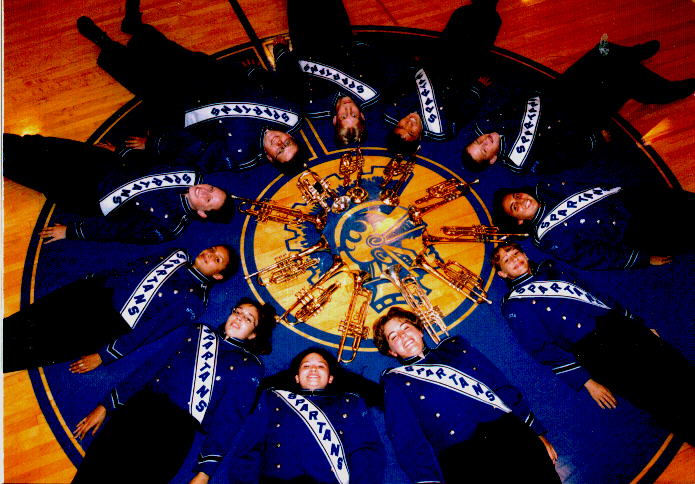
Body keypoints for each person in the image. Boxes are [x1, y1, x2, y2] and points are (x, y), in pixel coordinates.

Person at [492, 243, 695, 444]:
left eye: (516, 253)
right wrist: (586, 381)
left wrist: (637, 323)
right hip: (595, 351)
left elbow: (598, 295)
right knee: (654, 398)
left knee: (679, 370)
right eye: (507, 260)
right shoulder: (514, 304)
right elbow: (541, 348)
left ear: (525, 255)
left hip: (620, 327)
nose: (515, 259)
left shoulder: (551, 269)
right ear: (502, 274)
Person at [76, 0, 304, 173]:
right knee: (167, 50)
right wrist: (261, 67)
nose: (280, 141)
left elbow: (196, 153)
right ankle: (135, 27)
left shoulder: (239, 156)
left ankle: (103, 42)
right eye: (288, 142)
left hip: (183, 105)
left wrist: (155, 144)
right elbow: (285, 85)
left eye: (279, 150)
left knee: (139, 76)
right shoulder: (290, 114)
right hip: (212, 79)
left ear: (270, 158)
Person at [71, 298, 276, 484]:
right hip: (141, 409)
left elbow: (229, 420)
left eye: (248, 319)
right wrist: (106, 406)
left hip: (175, 433)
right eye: (237, 311)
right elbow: (150, 367)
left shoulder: (250, 366)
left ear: (253, 334)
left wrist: (204, 473)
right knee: (94, 470)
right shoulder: (197, 331)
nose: (238, 318)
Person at [373, 306, 561, 484]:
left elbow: (502, 388)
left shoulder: (455, 348)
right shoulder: (396, 382)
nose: (403, 336)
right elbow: (407, 440)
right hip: (465, 461)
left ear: (419, 330)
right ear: (391, 351)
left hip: (513, 437)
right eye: (393, 337)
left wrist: (537, 433)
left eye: (406, 327)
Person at [462, 40, 695, 174]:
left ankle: (629, 54)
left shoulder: (488, 125)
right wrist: (595, 140)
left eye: (477, 142)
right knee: (624, 78)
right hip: (580, 116)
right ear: (492, 159)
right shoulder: (521, 161)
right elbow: (567, 158)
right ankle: (667, 91)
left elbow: (510, 100)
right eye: (484, 149)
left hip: (559, 94)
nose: (484, 141)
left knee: (601, 51)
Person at [3, 244, 233, 373]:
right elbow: (130, 266)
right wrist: (92, 280)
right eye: (213, 249)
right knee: (31, 317)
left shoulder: (195, 300)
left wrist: (104, 356)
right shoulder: (177, 254)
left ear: (218, 275)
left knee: (42, 346)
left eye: (217, 260)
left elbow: (151, 330)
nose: (210, 254)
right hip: (94, 292)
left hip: (109, 322)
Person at [3, 133, 233, 244]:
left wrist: (71, 231)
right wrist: (121, 153)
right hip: (103, 163)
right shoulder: (191, 174)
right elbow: (152, 165)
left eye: (208, 200)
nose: (204, 191)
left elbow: (117, 231)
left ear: (203, 213)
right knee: (41, 144)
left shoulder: (168, 227)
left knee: (30, 170)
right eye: (212, 188)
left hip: (87, 193)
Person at [228, 347, 385, 483]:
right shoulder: (273, 400)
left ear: (330, 378)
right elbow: (248, 450)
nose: (313, 369)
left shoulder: (350, 403)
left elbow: (366, 453)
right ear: (296, 377)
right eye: (306, 366)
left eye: (321, 366)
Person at [493, 180, 695, 270]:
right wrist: (642, 259)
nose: (522, 201)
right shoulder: (547, 238)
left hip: (633, 198)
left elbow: (590, 185)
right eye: (515, 207)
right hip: (636, 229)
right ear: (519, 220)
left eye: (517, 195)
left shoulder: (546, 188)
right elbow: (592, 257)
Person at [384, 0, 500, 155]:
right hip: (462, 73)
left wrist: (413, 65)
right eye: (411, 132)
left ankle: (476, 6)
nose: (409, 123)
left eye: (401, 126)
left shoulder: (392, 111)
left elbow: (398, 83)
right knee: (485, 30)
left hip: (437, 63)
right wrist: (477, 88)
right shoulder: (442, 131)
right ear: (419, 138)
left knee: (458, 23)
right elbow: (465, 111)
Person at [277, 0, 385, 145]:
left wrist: (280, 52)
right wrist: (358, 42)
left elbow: (289, 78)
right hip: (338, 34)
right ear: (362, 116)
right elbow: (372, 59)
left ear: (335, 120)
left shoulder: (314, 106)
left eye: (343, 117)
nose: (348, 109)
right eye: (354, 115)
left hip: (305, 40)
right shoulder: (371, 94)